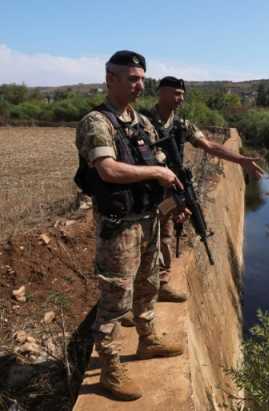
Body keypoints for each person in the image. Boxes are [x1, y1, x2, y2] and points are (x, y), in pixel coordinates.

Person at [75, 50, 183, 401]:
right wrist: (157, 172)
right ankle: (109, 367)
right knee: (115, 298)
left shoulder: (143, 123)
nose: (139, 85)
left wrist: (176, 203)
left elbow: (161, 163)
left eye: (141, 78)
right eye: (131, 78)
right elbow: (108, 170)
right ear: (111, 79)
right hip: (119, 226)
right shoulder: (97, 122)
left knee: (148, 282)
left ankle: (147, 339)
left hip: (149, 219)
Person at [142, 76, 264, 302]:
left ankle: (162, 283)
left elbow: (209, 146)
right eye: (175, 93)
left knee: (166, 233)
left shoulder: (181, 125)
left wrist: (240, 160)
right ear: (160, 93)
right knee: (143, 240)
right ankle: (134, 298)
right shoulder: (143, 121)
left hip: (171, 188)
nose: (180, 99)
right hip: (145, 190)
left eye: (182, 94)